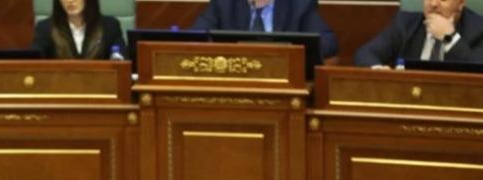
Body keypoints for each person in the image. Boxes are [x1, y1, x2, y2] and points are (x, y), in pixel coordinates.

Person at [190, 0, 338, 59]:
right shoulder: (225, 3)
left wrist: (290, 50)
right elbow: (195, 37)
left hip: (282, 85)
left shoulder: (299, 4)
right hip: (234, 84)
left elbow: (328, 42)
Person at [354, 0, 483, 67]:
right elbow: (365, 53)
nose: (433, 4)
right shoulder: (405, 24)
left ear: (460, 3)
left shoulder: (478, 29)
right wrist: (379, 71)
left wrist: (450, 38)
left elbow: (478, 68)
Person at [31, 0, 127, 59]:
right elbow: (35, 57)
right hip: (59, 84)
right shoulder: (45, 28)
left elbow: (122, 58)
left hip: (101, 84)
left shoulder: (110, 26)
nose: (70, 1)